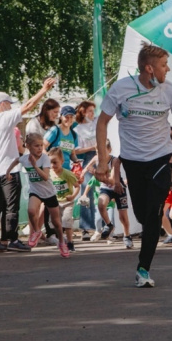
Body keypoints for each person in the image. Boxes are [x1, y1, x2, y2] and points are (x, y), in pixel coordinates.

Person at [96, 42, 172, 288]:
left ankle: (143, 269)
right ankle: (145, 258)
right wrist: (103, 162)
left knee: (153, 214)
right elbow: (102, 122)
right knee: (141, 213)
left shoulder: (170, 91)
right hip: (132, 161)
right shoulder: (121, 89)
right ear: (149, 68)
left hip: (161, 159)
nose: (167, 70)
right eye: (163, 65)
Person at [0, 77, 56, 253]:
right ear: (3, 104)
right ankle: (11, 240)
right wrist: (43, 89)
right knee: (11, 207)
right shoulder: (4, 117)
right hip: (9, 169)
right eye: (9, 103)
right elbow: (28, 106)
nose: (11, 106)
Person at [6, 133, 69, 257]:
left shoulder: (44, 158)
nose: (40, 148)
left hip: (49, 193)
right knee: (31, 210)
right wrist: (8, 172)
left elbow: (45, 177)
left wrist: (35, 166)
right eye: (36, 146)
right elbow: (16, 160)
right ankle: (36, 231)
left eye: (41, 145)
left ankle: (62, 242)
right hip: (35, 192)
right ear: (28, 146)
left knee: (56, 222)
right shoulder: (25, 158)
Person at [47, 147, 80, 252]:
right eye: (50, 163)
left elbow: (77, 186)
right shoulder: (49, 174)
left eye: (55, 162)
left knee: (67, 222)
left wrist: (73, 196)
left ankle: (70, 243)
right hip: (56, 203)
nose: (52, 166)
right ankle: (61, 241)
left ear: (62, 161)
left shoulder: (67, 174)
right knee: (57, 224)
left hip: (67, 203)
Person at [73, 101, 98, 240]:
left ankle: (104, 225)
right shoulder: (78, 130)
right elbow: (76, 150)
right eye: (89, 111)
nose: (92, 114)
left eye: (93, 111)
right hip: (89, 158)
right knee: (87, 191)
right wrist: (91, 147)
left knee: (106, 189)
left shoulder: (97, 122)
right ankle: (86, 227)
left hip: (103, 155)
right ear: (82, 112)